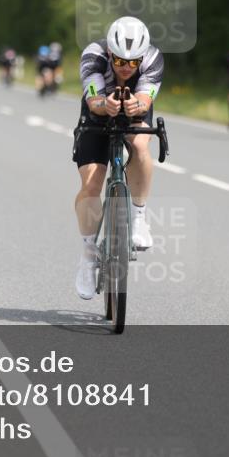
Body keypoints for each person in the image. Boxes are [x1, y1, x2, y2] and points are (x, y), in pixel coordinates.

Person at [73, 16, 164, 300]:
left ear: (142, 57)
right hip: (98, 110)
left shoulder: (153, 59)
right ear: (110, 53)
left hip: (135, 108)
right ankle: (88, 255)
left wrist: (138, 104)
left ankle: (138, 216)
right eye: (120, 61)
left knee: (139, 146)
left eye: (133, 62)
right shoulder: (94, 55)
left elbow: (146, 99)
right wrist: (105, 104)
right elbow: (93, 101)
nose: (126, 67)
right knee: (91, 185)